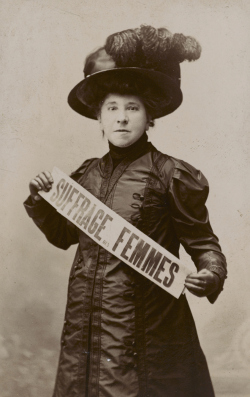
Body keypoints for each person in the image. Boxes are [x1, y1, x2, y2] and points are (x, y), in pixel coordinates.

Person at [24, 25, 227, 397]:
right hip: (85, 329)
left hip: (147, 331)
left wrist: (210, 273)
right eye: (112, 108)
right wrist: (40, 199)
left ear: (150, 116)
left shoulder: (171, 175)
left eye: (132, 108)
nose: (121, 118)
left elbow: (203, 242)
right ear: (99, 118)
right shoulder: (84, 175)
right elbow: (64, 235)